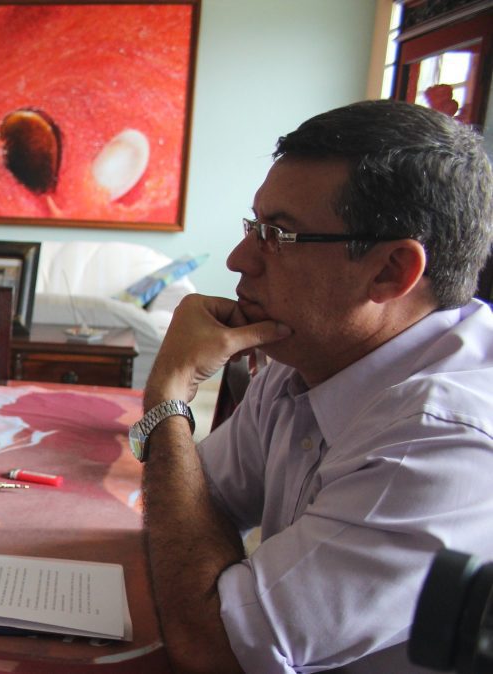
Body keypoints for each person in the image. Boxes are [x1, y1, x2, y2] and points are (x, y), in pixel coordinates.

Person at [132, 99, 493, 673]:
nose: (238, 258)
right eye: (254, 226)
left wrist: (169, 398)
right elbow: (201, 502)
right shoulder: (307, 355)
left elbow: (217, 650)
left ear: (390, 271)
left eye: (278, 235)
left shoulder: (441, 441)